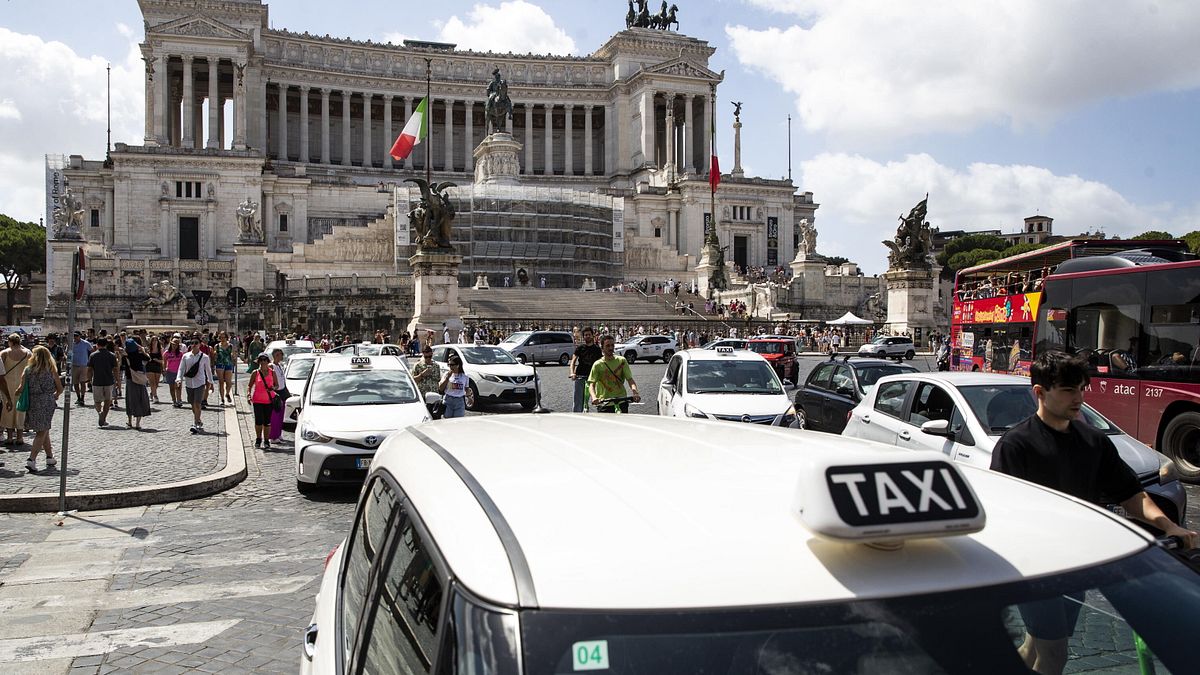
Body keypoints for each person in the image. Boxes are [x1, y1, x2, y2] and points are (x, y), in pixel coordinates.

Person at [991, 351, 1198, 675]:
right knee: (1054, 653)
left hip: (1077, 564)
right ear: (1039, 393)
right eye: (1068, 390)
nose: (1079, 398)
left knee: (1036, 645)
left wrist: (1169, 526)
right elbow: (1001, 511)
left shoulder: (1093, 442)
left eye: (1081, 389)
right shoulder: (1016, 445)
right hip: (1034, 570)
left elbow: (1131, 495)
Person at [15, 346, 63, 473]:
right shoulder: (51, 369)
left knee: (43, 429)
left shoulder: (28, 370)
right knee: (42, 431)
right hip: (47, 401)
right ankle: (31, 459)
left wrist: (16, 393)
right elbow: (60, 388)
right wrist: (56, 395)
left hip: (33, 401)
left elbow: (20, 388)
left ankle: (49, 457)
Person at [588, 335, 640, 413]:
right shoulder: (597, 365)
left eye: (612, 345)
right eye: (607, 346)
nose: (610, 348)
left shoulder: (622, 361)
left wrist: (635, 392)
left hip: (621, 401)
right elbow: (592, 384)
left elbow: (630, 379)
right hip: (604, 403)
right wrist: (594, 397)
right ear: (602, 348)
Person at [1, 333, 32, 446]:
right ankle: (20, 437)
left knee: (7, 409)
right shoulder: (27, 353)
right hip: (22, 384)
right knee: (21, 409)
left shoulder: (4, 353)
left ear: (10, 341)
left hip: (7, 385)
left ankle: (9, 437)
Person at [179, 339, 213, 433]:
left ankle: (196, 423)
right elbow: (181, 368)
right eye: (192, 343)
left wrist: (210, 382)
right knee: (192, 403)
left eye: (196, 343)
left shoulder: (205, 357)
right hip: (189, 383)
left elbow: (208, 370)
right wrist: (178, 379)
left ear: (199, 345)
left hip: (200, 383)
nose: (194, 345)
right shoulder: (185, 356)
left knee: (197, 403)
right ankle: (198, 420)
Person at [87, 338, 120, 427]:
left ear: (97, 345)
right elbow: (115, 369)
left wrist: (89, 380)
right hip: (109, 381)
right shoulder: (112, 355)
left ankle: (99, 412)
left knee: (97, 401)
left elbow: (89, 369)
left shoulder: (93, 355)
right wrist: (117, 380)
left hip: (97, 381)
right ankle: (104, 418)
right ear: (106, 345)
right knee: (107, 400)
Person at [247, 354, 278, 448]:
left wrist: (273, 388)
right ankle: (258, 439)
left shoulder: (272, 372)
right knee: (258, 421)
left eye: (265, 360)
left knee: (267, 422)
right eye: (261, 360)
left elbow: (277, 385)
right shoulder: (255, 373)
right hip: (257, 400)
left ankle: (266, 440)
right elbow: (249, 385)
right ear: (259, 361)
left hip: (269, 400)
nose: (263, 362)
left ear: (268, 361)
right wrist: (248, 395)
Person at [569, 327, 602, 413]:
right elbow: (573, 361)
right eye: (586, 335)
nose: (587, 336)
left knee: (597, 398)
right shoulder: (580, 348)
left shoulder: (597, 349)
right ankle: (576, 416)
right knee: (578, 400)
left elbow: (601, 363)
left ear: (592, 335)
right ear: (583, 337)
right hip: (580, 376)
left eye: (589, 335)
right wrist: (572, 373)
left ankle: (601, 414)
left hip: (593, 377)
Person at [123, 337, 151, 430]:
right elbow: (148, 358)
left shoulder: (126, 356)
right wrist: (142, 350)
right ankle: (138, 423)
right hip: (140, 379)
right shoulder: (139, 355)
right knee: (139, 399)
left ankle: (129, 421)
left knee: (130, 400)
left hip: (130, 379)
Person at [268, 348, 287, 441]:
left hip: (282, 392)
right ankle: (272, 436)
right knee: (275, 416)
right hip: (276, 393)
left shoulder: (279, 365)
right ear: (275, 355)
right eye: (280, 354)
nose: (282, 356)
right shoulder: (271, 366)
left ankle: (278, 433)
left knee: (281, 415)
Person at [213, 332, 237, 405]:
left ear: (226, 338)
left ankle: (227, 393)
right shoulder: (217, 346)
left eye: (224, 337)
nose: (222, 339)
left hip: (228, 364)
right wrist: (215, 355)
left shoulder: (230, 346)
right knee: (221, 382)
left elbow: (233, 354)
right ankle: (222, 399)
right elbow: (215, 356)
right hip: (219, 364)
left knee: (229, 382)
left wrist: (233, 356)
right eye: (221, 337)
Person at [70, 332, 92, 406]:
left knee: (82, 382)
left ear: (79, 336)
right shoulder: (71, 344)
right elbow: (67, 353)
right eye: (74, 336)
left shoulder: (85, 343)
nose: (75, 337)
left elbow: (92, 351)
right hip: (74, 365)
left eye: (77, 336)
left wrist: (89, 361)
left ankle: (82, 398)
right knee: (75, 383)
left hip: (83, 365)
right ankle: (78, 397)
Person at [164, 335, 185, 407]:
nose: (174, 346)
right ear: (171, 344)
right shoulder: (167, 353)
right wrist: (164, 369)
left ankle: (179, 400)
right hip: (170, 371)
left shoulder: (181, 353)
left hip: (178, 372)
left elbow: (183, 363)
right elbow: (164, 362)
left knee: (178, 387)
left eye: (176, 344)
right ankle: (174, 400)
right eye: (173, 344)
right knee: (172, 388)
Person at [145, 334, 164, 403]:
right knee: (152, 382)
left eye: (156, 340)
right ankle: (155, 396)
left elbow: (163, 360)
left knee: (156, 383)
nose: (155, 341)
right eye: (153, 340)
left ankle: (152, 393)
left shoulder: (161, 349)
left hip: (158, 366)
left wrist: (157, 360)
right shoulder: (148, 349)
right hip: (149, 366)